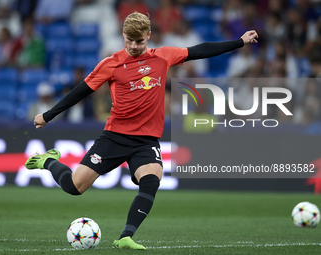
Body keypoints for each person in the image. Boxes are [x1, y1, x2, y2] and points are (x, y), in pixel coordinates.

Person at [25, 11, 258, 250]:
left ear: (149, 36)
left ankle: (125, 237)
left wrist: (240, 41)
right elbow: (81, 91)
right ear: (123, 36)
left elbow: (200, 50)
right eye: (129, 40)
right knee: (75, 187)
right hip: (115, 137)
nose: (134, 46)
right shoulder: (111, 63)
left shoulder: (163, 56)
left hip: (146, 141)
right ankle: (49, 161)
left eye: (139, 41)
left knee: (152, 179)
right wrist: (48, 115)